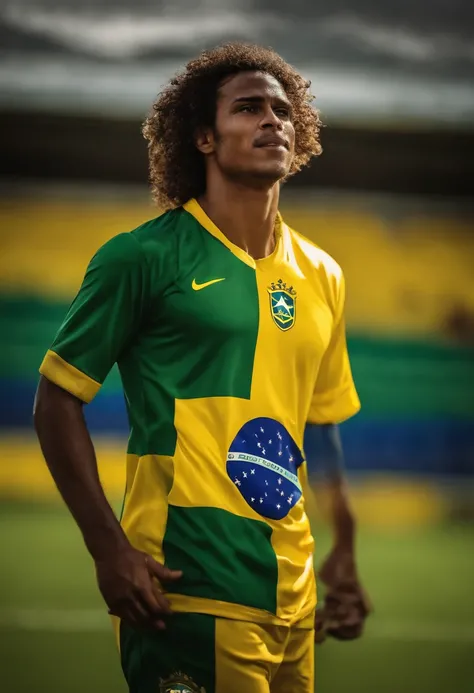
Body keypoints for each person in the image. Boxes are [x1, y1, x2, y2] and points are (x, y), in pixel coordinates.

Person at [34, 42, 370, 693]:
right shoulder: (142, 257)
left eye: (281, 109)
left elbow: (322, 422)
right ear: (204, 137)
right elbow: (57, 398)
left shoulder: (323, 274)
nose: (272, 120)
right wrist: (108, 548)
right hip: (186, 583)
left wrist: (345, 549)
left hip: (291, 594)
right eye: (248, 108)